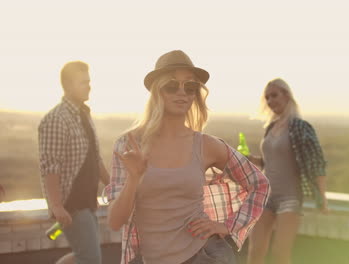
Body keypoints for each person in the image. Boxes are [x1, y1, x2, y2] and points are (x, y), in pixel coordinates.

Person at [104, 50, 270, 264]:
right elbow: (116, 221)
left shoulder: (206, 145)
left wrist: (227, 227)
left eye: (190, 86)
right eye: (172, 86)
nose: (182, 93)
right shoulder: (129, 145)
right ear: (157, 92)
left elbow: (259, 184)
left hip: (203, 256)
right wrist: (134, 179)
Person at [246, 78, 328, 264]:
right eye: (267, 98)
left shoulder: (300, 126)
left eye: (274, 95)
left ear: (287, 95)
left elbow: (317, 163)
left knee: (280, 253)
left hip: (289, 197)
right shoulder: (271, 127)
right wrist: (253, 160)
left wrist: (322, 197)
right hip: (265, 196)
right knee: (255, 251)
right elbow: (271, 162)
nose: (271, 101)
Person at [38, 61, 110, 264]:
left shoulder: (84, 114)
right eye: (83, 82)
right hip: (71, 204)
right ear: (68, 86)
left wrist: (113, 187)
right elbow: (50, 167)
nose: (89, 86)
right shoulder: (56, 119)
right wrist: (57, 206)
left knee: (87, 256)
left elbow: (95, 158)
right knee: (89, 258)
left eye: (89, 81)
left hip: (87, 202)